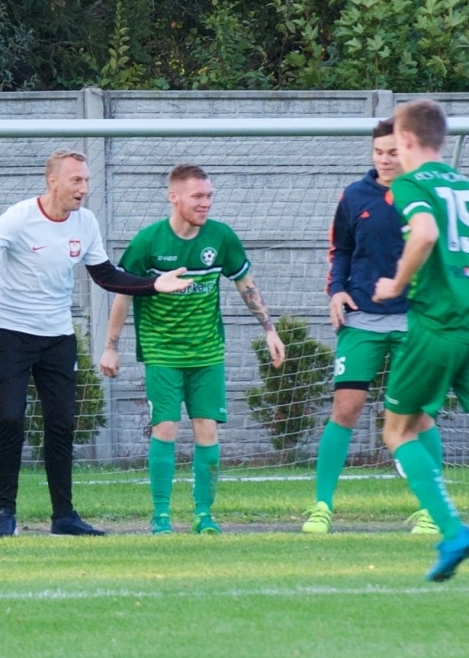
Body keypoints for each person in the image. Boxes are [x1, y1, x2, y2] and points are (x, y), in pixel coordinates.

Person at [0, 149, 191, 537]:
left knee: (62, 425)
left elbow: (106, 276)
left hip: (58, 338)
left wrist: (154, 284)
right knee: (11, 419)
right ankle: (5, 514)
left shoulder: (85, 222)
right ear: (53, 181)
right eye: (76, 180)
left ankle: (63, 517)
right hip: (13, 333)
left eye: (86, 180)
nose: (84, 188)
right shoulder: (21, 215)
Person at [99, 164, 286, 535]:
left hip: (207, 354)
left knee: (207, 432)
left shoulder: (221, 237)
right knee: (165, 429)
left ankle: (204, 515)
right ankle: (161, 516)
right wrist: (110, 347)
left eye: (209, 196)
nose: (205, 203)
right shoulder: (148, 242)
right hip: (162, 353)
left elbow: (246, 285)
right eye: (197, 196)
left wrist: (270, 330)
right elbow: (122, 294)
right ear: (174, 197)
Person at [305, 120, 436, 534]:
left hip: (415, 321)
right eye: (378, 152)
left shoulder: (426, 195)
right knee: (345, 409)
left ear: (407, 151)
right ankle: (322, 506)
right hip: (361, 318)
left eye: (392, 152)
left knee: (417, 416)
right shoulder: (354, 196)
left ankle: (431, 509)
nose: (384, 159)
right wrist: (336, 291)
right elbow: (340, 249)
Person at [372, 99, 469, 582]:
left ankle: (452, 532)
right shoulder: (464, 184)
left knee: (398, 431)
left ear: (407, 140)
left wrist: (396, 282)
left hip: (437, 324)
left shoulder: (411, 184)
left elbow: (425, 233)